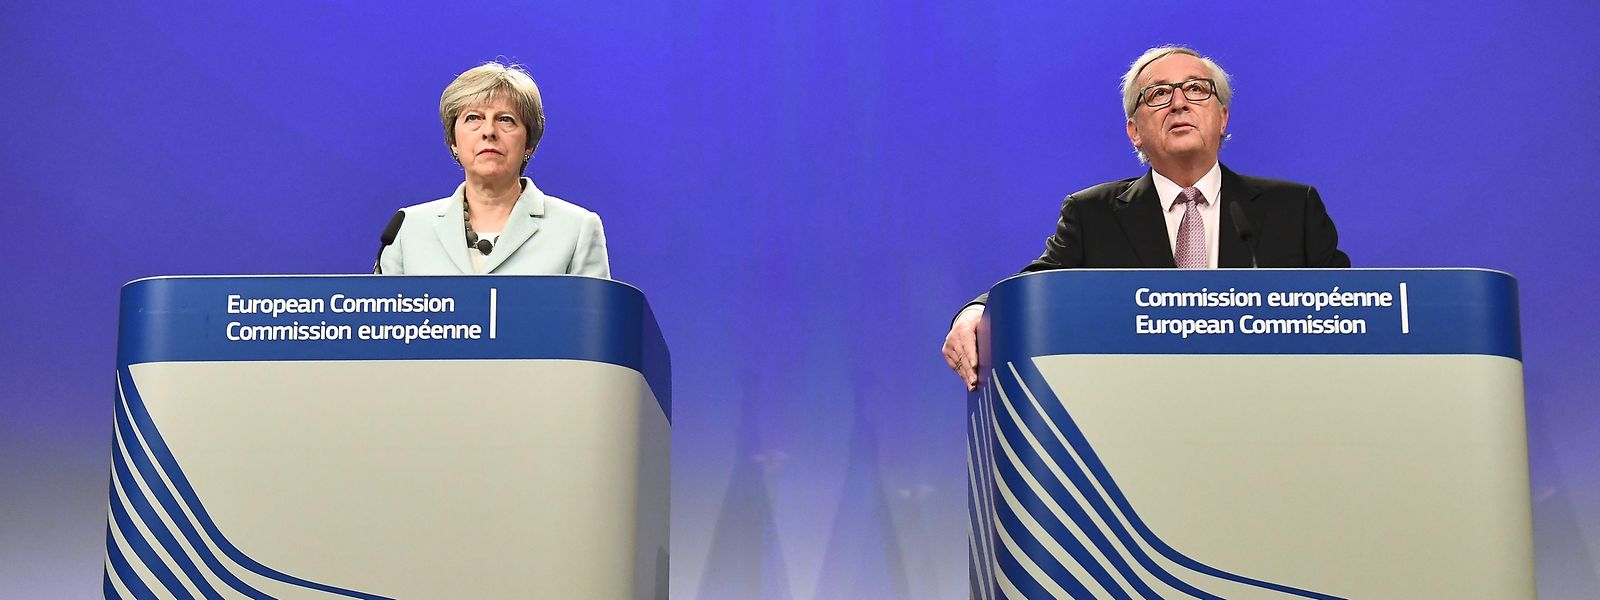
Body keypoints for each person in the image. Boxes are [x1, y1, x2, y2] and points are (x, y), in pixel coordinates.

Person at [942, 45, 1350, 389]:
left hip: (1271, 406)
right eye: (1158, 93)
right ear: (1134, 131)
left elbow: (1350, 315)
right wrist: (977, 313)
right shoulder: (1093, 214)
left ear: (1223, 118)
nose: (1179, 102)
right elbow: (1039, 285)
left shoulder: (1293, 209)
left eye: (1196, 89)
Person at [377, 61, 609, 277]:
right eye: (473, 118)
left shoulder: (577, 229)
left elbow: (594, 320)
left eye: (506, 119)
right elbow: (385, 318)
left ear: (529, 143)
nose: (489, 131)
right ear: (454, 142)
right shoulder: (407, 229)